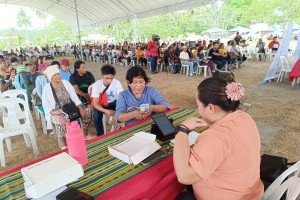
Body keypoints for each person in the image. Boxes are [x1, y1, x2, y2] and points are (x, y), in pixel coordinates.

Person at [173, 77, 264, 200]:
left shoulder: (214, 137)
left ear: (210, 108)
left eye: (198, 105)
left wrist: (182, 130)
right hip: (252, 192)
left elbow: (184, 177)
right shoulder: (244, 117)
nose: (198, 109)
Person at [42, 65, 92, 149]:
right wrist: (54, 111)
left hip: (71, 107)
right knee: (60, 119)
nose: (58, 76)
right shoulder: (47, 88)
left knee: (87, 111)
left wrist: (80, 107)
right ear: (51, 77)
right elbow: (45, 104)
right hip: (58, 111)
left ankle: (85, 135)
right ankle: (63, 144)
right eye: (55, 75)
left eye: (58, 74)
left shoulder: (66, 83)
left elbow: (73, 96)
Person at [91, 65, 123, 136]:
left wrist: (119, 108)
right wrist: (105, 111)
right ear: (102, 76)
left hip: (113, 103)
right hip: (101, 105)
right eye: (107, 78)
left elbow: (121, 97)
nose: (109, 80)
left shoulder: (116, 83)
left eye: (111, 78)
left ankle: (119, 127)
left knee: (123, 108)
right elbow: (96, 104)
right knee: (96, 115)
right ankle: (100, 134)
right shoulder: (97, 85)